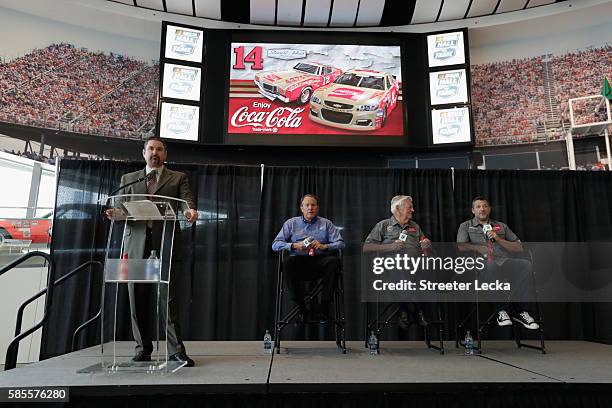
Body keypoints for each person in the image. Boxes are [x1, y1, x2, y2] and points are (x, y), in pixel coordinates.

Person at [106, 136, 198, 366]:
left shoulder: (178, 178)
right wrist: (113, 214)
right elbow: (119, 209)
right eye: (151, 149)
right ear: (144, 153)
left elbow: (188, 202)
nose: (155, 152)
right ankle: (142, 347)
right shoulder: (128, 179)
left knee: (168, 299)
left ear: (165, 154)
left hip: (165, 242)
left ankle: (175, 350)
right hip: (134, 245)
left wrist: (190, 212)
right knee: (135, 297)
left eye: (159, 149)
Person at [456, 196, 539, 329]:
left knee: (525, 265)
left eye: (484, 206)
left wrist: (499, 240)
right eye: (478, 207)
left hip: (503, 262)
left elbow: (519, 247)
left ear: (489, 209)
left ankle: (521, 311)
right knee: (490, 265)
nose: (482, 209)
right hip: (480, 265)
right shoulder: (466, 226)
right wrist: (479, 248)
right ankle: (501, 310)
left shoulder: (501, 226)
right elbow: (461, 246)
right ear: (473, 210)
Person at [272, 194, 345, 323]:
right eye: (307, 205)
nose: (310, 208)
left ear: (317, 207)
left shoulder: (326, 224)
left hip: (319, 261)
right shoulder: (291, 223)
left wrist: (324, 246)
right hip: (299, 262)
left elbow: (341, 243)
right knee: (287, 262)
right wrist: (294, 245)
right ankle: (301, 307)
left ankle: (324, 306)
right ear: (301, 208)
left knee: (334, 261)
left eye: (313, 205)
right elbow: (275, 245)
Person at [363, 195, 431, 328]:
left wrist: (426, 244)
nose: (413, 210)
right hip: (389, 269)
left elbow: (425, 243)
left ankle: (405, 310)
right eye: (409, 207)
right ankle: (415, 310)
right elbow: (366, 247)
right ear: (398, 209)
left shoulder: (415, 227)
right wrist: (390, 247)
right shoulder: (383, 225)